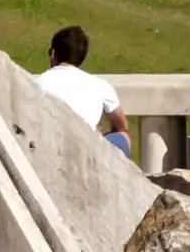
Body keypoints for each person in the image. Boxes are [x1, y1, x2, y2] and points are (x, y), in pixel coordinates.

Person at [32, 25, 128, 158]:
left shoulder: (36, 83)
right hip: (87, 155)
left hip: (47, 152)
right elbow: (122, 126)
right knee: (123, 138)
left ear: (53, 54)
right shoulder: (100, 86)